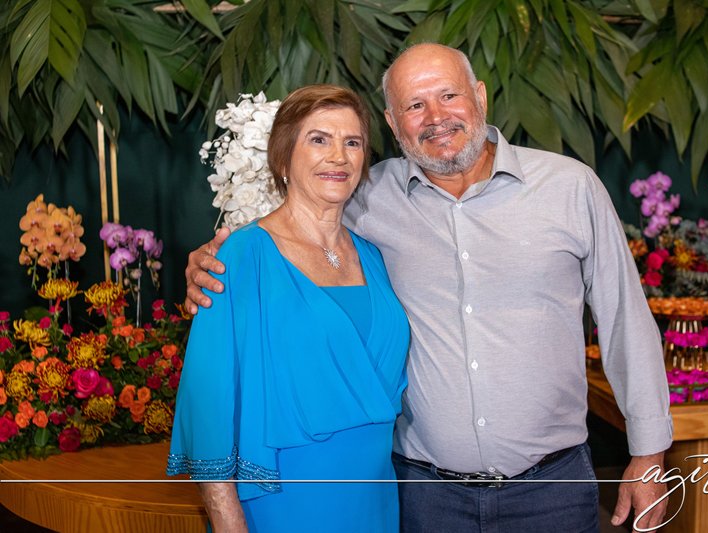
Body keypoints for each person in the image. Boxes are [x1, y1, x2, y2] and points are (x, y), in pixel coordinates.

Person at [185, 44, 673, 532]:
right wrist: (211, 263)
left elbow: (625, 323)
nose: (436, 117)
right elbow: (290, 234)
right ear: (393, 123)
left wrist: (649, 455)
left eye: (448, 95)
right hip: (423, 498)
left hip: (552, 490)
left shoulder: (569, 188)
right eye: (415, 105)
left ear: (480, 97)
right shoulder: (366, 197)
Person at [169, 84, 410, 532]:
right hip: (281, 501)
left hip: (374, 500)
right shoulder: (241, 256)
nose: (338, 156)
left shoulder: (374, 257)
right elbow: (208, 406)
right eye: (319, 139)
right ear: (283, 158)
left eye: (352, 142)